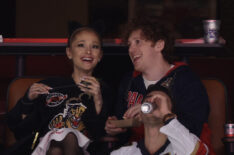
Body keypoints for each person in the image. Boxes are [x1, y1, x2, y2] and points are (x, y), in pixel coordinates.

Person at [105, 16, 211, 151]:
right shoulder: (128, 82)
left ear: (159, 45)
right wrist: (116, 127)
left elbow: (194, 127)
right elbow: (125, 131)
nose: (131, 50)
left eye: (138, 42)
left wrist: (155, 112)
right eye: (129, 45)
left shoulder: (186, 79)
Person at [6, 27, 113, 155]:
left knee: (65, 141)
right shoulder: (50, 86)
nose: (88, 51)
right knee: (57, 146)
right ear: (69, 52)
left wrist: (98, 100)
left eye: (95, 47)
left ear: (100, 55)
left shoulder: (104, 90)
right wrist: (27, 101)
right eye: (81, 45)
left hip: (84, 150)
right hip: (44, 149)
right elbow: (20, 131)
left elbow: (101, 134)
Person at [111, 84, 209, 155]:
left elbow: (200, 152)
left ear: (172, 115)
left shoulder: (181, 148)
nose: (152, 101)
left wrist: (166, 115)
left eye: (161, 102)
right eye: (148, 98)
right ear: (140, 115)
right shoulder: (123, 152)